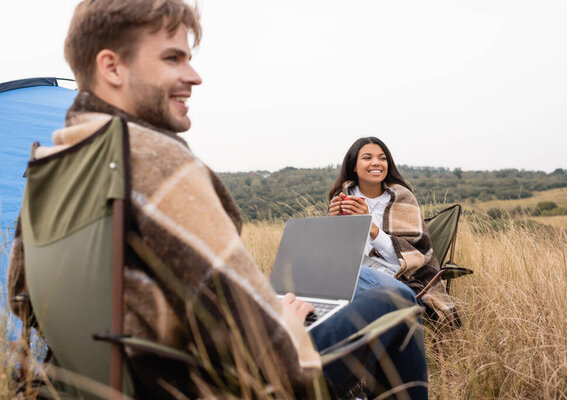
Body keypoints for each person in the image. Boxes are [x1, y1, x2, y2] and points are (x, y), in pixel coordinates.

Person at [7, 2, 427, 399]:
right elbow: (262, 348)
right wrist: (283, 325)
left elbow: (22, 303)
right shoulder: (157, 160)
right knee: (396, 299)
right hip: (225, 385)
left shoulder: (48, 166)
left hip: (113, 383)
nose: (194, 76)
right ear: (112, 66)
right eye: (173, 59)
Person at [327, 137, 458, 325]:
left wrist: (370, 226)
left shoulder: (402, 198)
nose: (376, 163)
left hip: (399, 279)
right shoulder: (342, 198)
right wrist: (332, 224)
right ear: (354, 166)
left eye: (382, 158)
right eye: (367, 157)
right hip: (350, 279)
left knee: (359, 281)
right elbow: (332, 257)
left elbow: (414, 258)